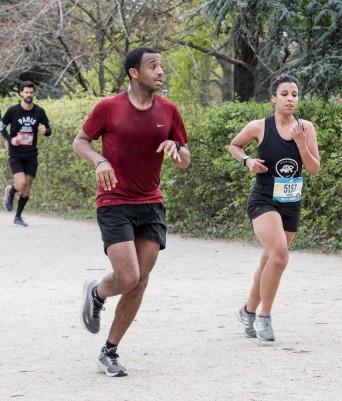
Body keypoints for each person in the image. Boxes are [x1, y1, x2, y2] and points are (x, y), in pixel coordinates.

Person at [73, 46, 191, 377]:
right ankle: (97, 292)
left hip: (151, 203)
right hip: (114, 202)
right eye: (152, 66)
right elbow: (80, 141)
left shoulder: (169, 110)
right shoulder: (108, 108)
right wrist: (100, 160)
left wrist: (176, 148)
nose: (160, 71)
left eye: (161, 66)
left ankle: (109, 351)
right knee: (127, 276)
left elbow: (185, 160)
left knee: (140, 282)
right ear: (134, 73)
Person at [229, 74, 320, 341]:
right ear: (273, 98)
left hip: (291, 203)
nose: (290, 98)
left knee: (270, 260)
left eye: (294, 94)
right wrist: (247, 161)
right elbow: (234, 145)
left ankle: (247, 311)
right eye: (284, 94)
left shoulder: (307, 128)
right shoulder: (259, 127)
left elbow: (314, 169)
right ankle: (264, 317)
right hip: (263, 200)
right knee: (279, 256)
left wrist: (301, 143)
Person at [1, 81, 52, 226]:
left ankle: (18, 217)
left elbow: (48, 130)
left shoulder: (39, 112)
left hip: (31, 155)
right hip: (16, 154)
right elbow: (2, 127)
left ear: (34, 94)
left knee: (27, 189)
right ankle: (10, 191)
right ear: (21, 93)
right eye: (26, 92)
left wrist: (45, 131)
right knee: (21, 183)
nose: (29, 95)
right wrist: (11, 139)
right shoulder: (13, 111)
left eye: (31, 92)